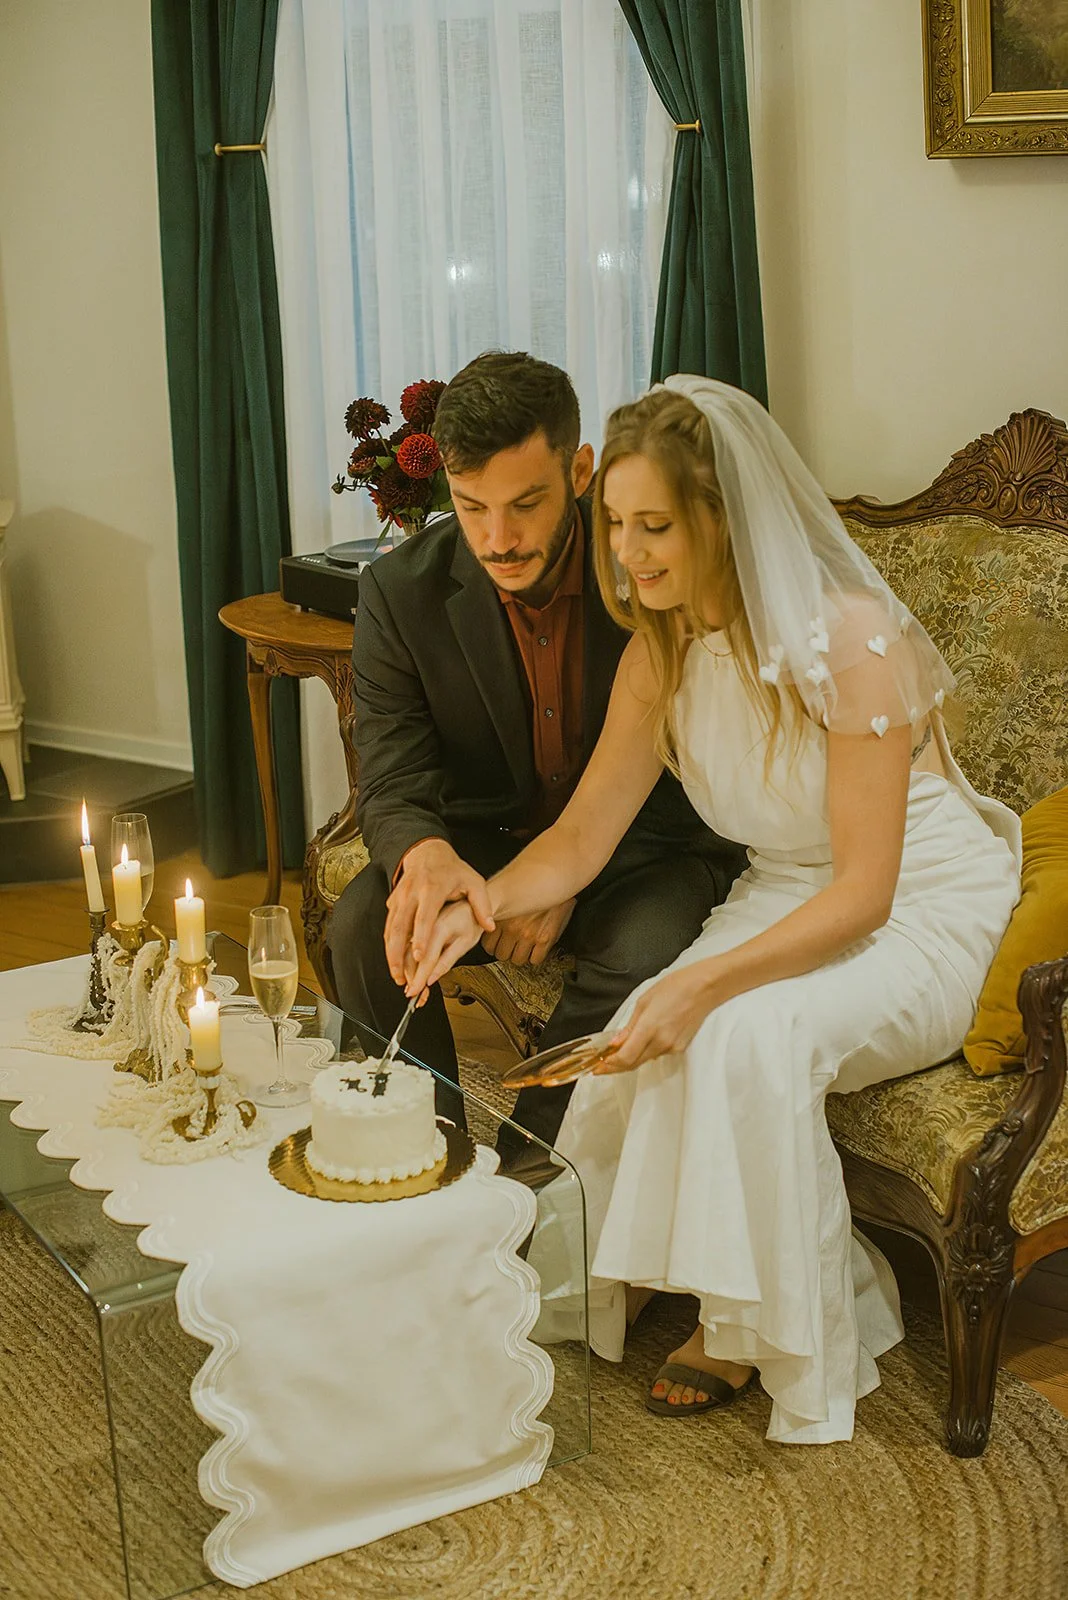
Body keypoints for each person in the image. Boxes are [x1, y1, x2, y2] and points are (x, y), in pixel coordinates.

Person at [404, 376, 1021, 1445]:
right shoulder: (664, 649)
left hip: (921, 906)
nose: (630, 554)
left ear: (721, 524)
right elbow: (583, 840)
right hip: (787, 887)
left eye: (657, 527)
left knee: (743, 1032)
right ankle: (649, 1265)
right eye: (616, 523)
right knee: (642, 1028)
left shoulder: (850, 642)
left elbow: (865, 892)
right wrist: (478, 901)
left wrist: (701, 980)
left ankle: (747, 1327)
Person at [326, 353, 744, 1156]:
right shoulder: (399, 592)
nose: (498, 538)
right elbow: (392, 770)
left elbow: (685, 776)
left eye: (526, 504)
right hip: (492, 849)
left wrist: (563, 875)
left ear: (580, 471)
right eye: (473, 505)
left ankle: (534, 1166)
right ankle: (426, 1153)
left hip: (643, 851)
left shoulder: (650, 568)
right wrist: (427, 854)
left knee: (645, 945)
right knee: (361, 927)